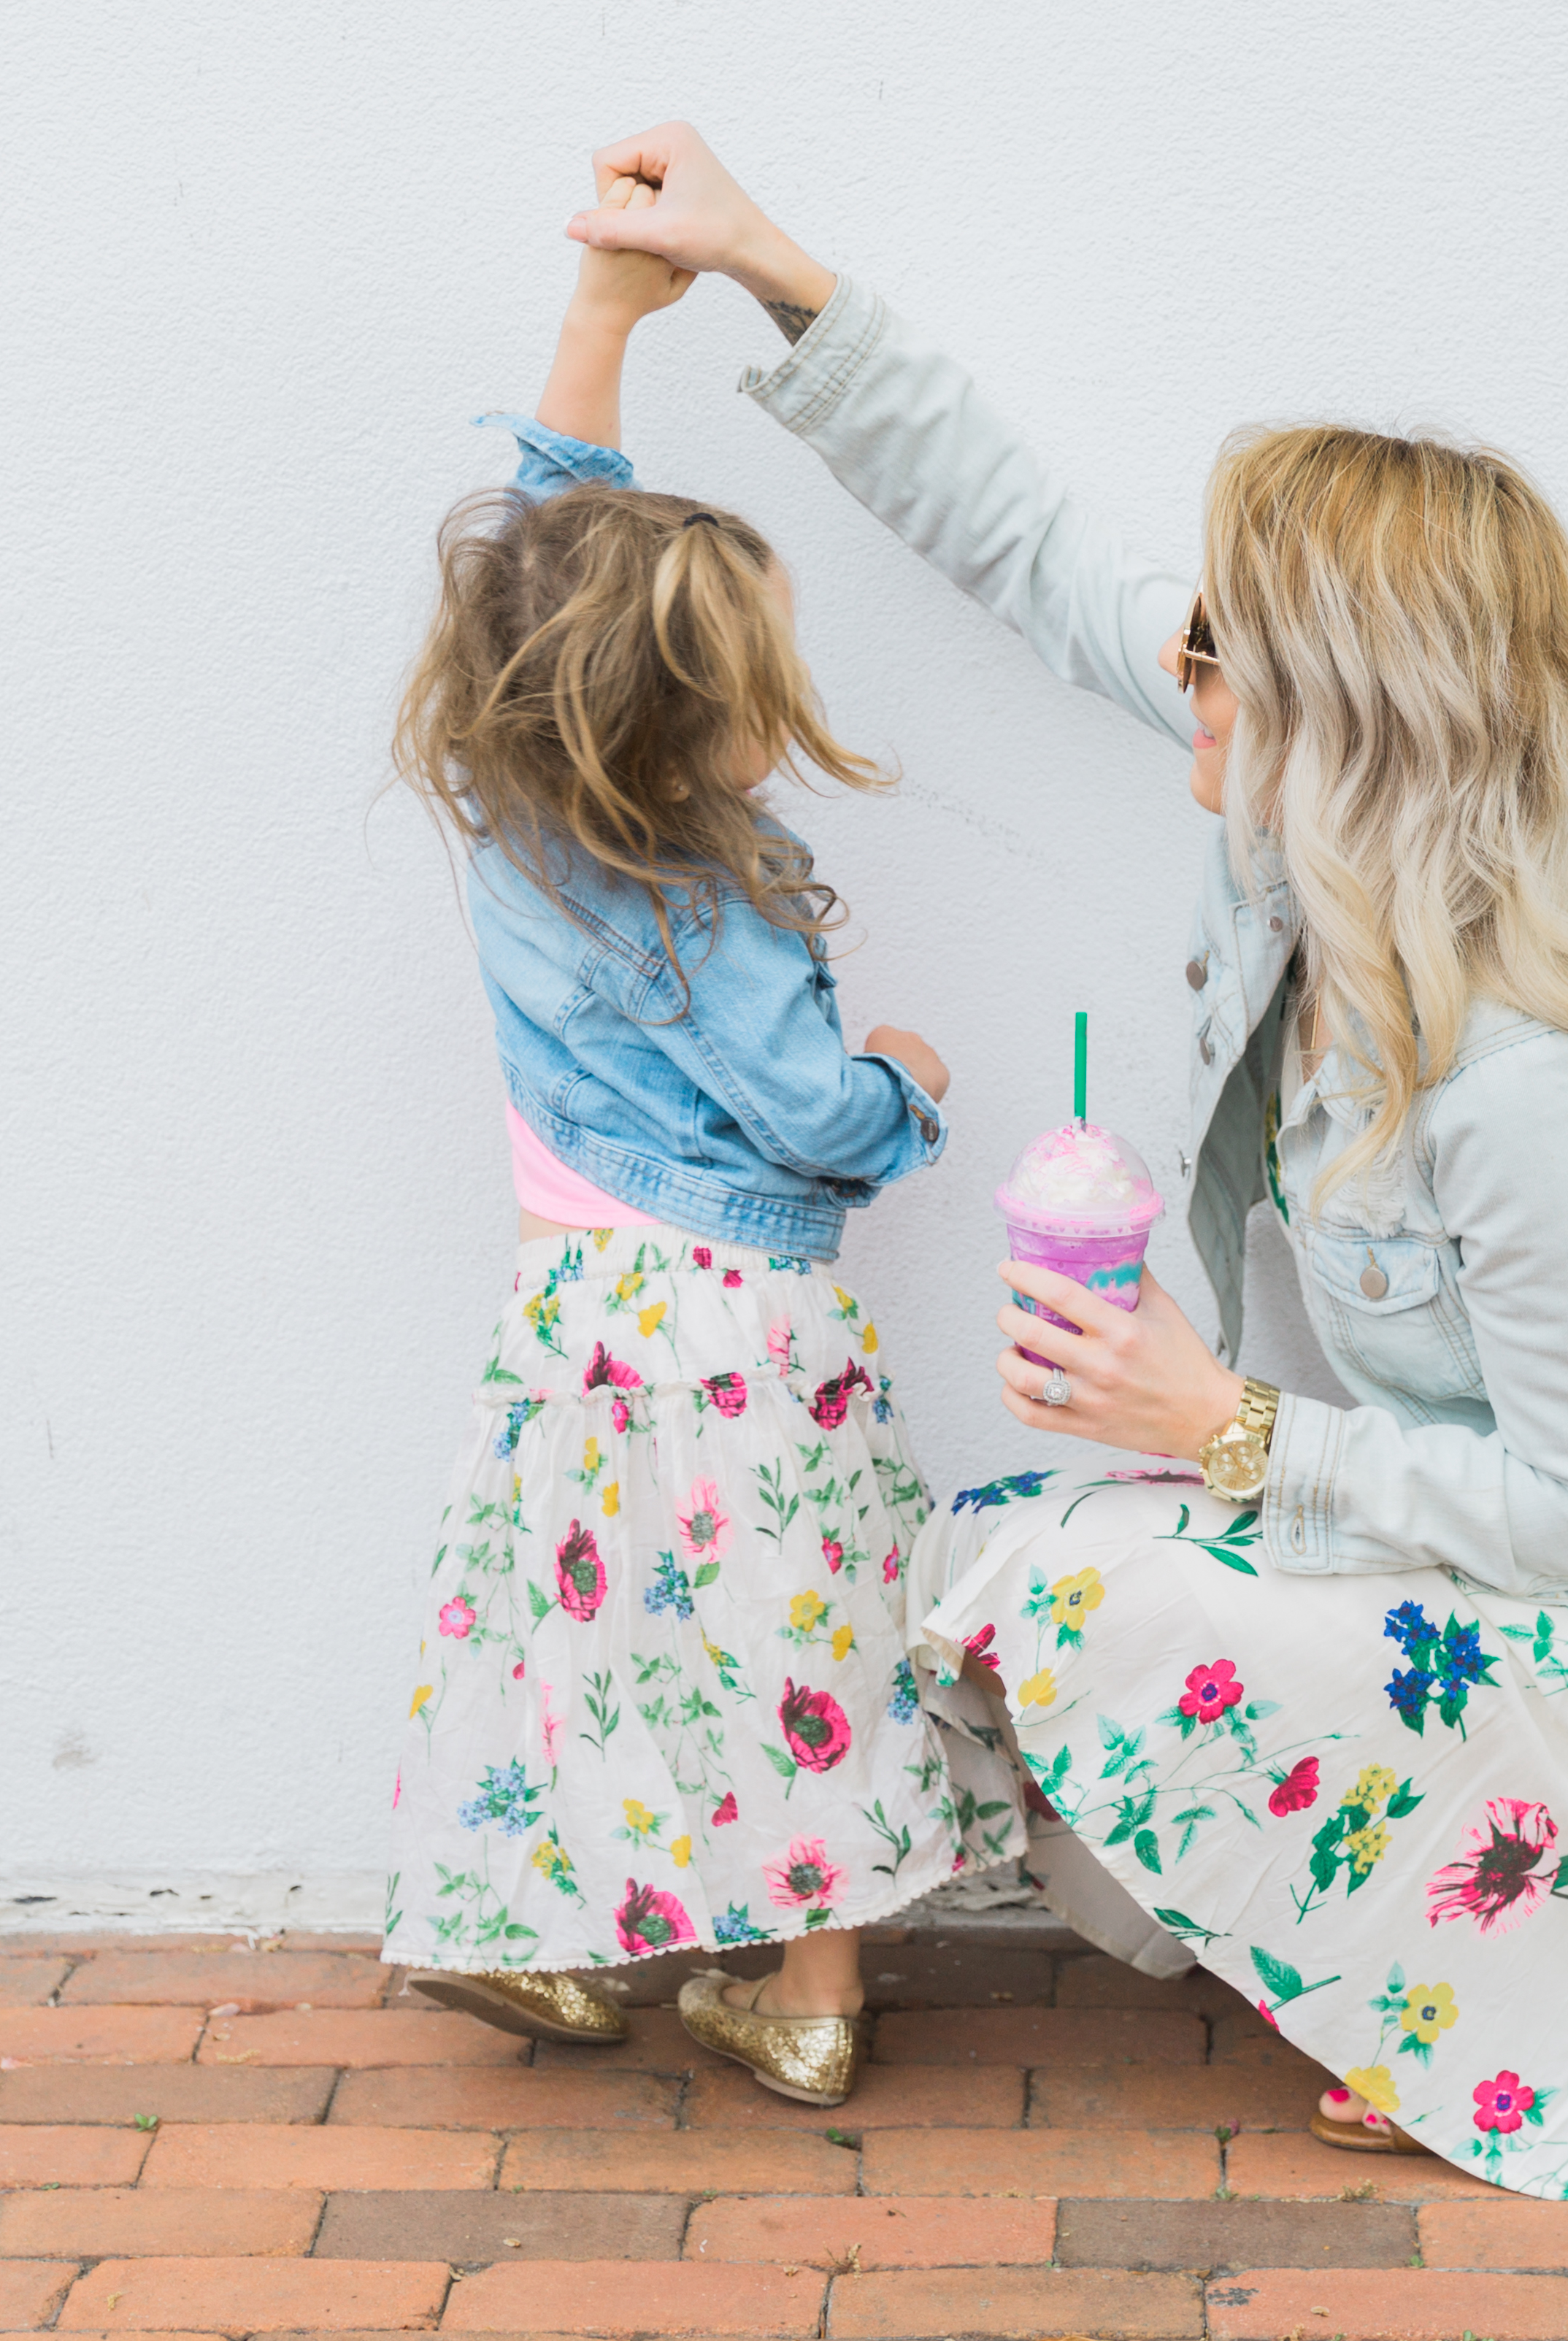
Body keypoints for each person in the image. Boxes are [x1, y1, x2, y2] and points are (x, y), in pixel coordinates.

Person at [564, 127, 1568, 2210]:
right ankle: (1444, 1949)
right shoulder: (1298, 827)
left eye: (1216, 648)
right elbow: (1029, 546)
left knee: (1075, 1587)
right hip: (1470, 1537)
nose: (1172, 666)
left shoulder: (1536, 1073)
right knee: (1009, 1562)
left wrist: (1223, 1430)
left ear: (1343, 715)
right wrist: (773, 270)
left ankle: (1522, 1969)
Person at [380, 174, 1022, 2108]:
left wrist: (601, 314)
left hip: (578, 1321)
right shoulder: (710, 907)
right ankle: (802, 1995)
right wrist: (903, 1078)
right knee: (785, 1650)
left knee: (584, 1623)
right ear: (691, 721)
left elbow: (531, 545)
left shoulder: (513, 812)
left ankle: (556, 1940)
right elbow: (812, 1121)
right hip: (744, 1333)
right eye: (762, 691)